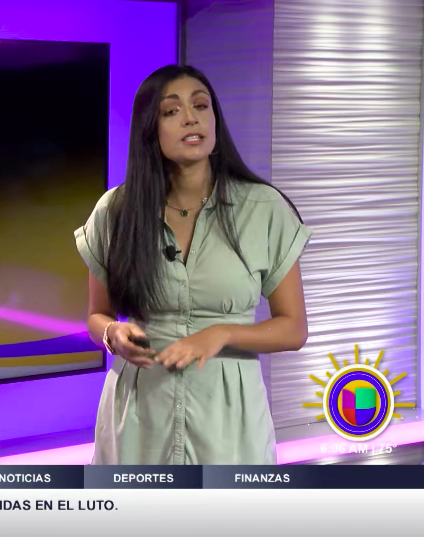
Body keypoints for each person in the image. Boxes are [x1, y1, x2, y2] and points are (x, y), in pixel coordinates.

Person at [75, 65, 312, 465]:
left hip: (229, 420)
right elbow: (97, 315)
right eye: (172, 111)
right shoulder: (115, 211)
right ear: (150, 129)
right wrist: (113, 333)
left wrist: (220, 334)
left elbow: (294, 329)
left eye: (201, 106)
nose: (191, 117)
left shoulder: (263, 208)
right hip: (139, 415)